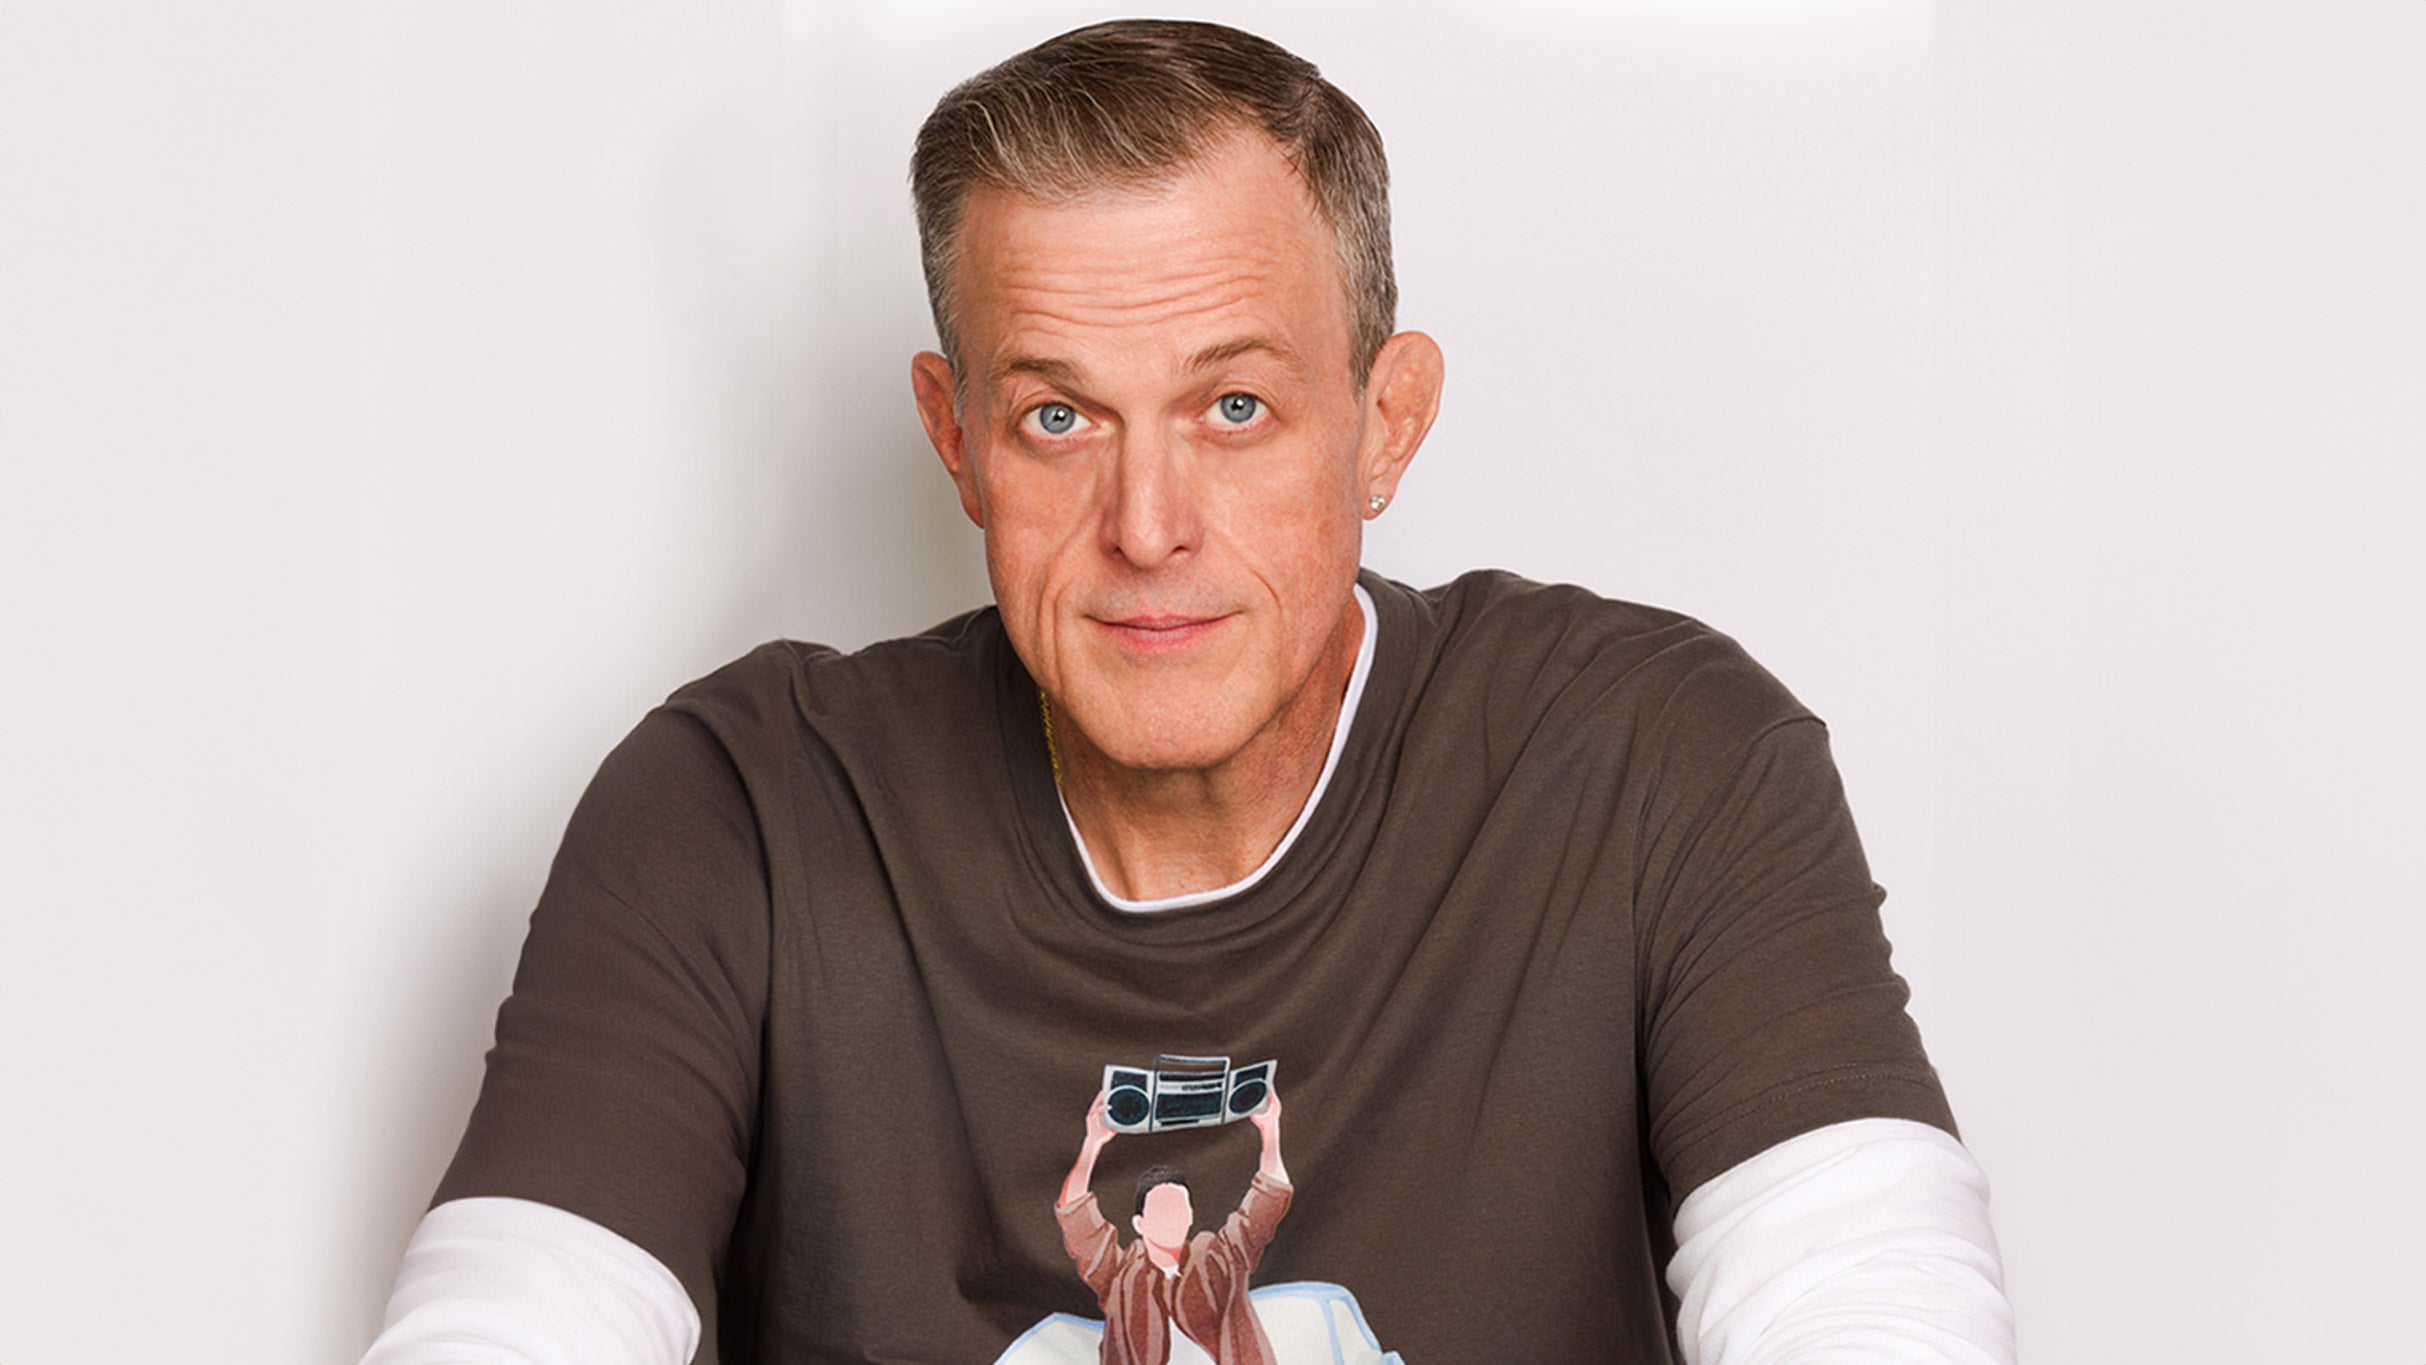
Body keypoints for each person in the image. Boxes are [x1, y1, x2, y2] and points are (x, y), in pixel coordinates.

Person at [363, 18, 2014, 1365]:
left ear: (1385, 424)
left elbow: (1864, 1298)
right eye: (1058, 418)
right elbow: (516, 1316)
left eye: (1232, 410)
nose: (1146, 528)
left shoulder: (1656, 762)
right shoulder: (742, 811)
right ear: (955, 438)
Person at [1055, 1091, 1291, 1365]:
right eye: (1161, 1210)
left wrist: (1270, 1129)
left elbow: (1267, 1199)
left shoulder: (1220, 1260)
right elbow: (1076, 1217)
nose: (1172, 1218)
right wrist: (1092, 1143)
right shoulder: (1118, 1276)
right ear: (1140, 1223)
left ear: (1190, 1215)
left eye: (1179, 1208)